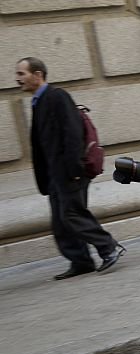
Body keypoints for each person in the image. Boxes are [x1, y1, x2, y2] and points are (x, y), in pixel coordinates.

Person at [15, 57, 125, 280]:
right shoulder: (38, 101)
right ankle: (81, 261)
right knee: (61, 221)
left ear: (38, 75)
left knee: (72, 214)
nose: (17, 79)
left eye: (21, 74)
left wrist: (74, 169)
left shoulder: (57, 96)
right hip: (55, 175)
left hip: (70, 172)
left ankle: (108, 247)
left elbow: (73, 134)